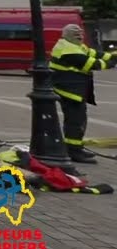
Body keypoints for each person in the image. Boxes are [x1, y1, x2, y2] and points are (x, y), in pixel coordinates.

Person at [49, 24, 114, 164]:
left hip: (73, 89)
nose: (80, 38)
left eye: (81, 35)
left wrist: (113, 55)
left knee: (78, 120)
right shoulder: (68, 49)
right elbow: (91, 64)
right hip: (68, 90)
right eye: (77, 35)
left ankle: (75, 147)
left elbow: (94, 53)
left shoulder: (74, 45)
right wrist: (111, 62)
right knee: (75, 122)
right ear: (68, 35)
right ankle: (74, 152)